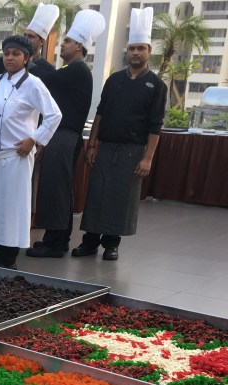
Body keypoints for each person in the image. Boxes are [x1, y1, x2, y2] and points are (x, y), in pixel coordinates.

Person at [73, 8, 167, 261]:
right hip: (106, 147)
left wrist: (148, 158)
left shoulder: (156, 85)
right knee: (97, 194)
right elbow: (100, 114)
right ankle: (89, 242)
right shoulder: (114, 80)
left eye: (141, 48)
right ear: (127, 50)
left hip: (133, 150)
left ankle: (111, 244)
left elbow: (155, 125)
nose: (136, 53)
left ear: (149, 51)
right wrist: (92, 144)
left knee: (121, 197)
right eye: (132, 48)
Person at [0, 35, 61, 269]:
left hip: (15, 156)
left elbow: (54, 115)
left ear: (26, 58)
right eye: (6, 54)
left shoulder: (33, 84)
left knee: (11, 208)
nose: (10, 58)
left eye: (16, 54)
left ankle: (8, 257)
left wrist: (34, 139)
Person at [26, 9, 106, 258]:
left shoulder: (77, 70)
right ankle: (56, 239)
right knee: (57, 188)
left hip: (65, 137)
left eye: (68, 41)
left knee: (57, 190)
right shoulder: (74, 70)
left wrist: (31, 58)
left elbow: (46, 78)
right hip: (61, 137)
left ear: (79, 46)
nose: (63, 44)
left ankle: (55, 243)